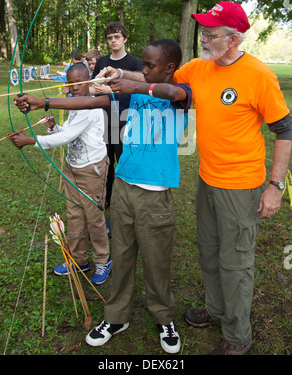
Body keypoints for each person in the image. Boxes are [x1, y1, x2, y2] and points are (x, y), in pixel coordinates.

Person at [96, 1, 292, 355]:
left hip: (242, 184)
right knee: (210, 252)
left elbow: (285, 128)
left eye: (211, 33)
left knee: (236, 261)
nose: (204, 37)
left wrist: (275, 186)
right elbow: (160, 80)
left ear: (232, 39)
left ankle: (237, 337)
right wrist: (120, 77)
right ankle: (216, 310)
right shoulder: (200, 68)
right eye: (203, 30)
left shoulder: (259, 75)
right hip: (207, 178)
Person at [14, 39, 192, 354]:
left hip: (156, 195)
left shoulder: (180, 93)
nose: (144, 70)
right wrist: (43, 102)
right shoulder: (128, 97)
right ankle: (116, 316)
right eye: (144, 65)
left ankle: (164, 318)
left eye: (150, 66)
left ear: (170, 68)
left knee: (156, 261)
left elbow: (175, 93)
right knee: (122, 257)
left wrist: (133, 83)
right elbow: (88, 103)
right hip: (122, 187)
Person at [11, 63, 112, 285]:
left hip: (90, 171)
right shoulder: (74, 106)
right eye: (70, 83)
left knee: (94, 218)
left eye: (79, 83)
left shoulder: (91, 108)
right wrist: (53, 127)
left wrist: (31, 141)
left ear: (89, 82)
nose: (74, 88)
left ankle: (103, 259)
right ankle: (79, 260)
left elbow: (65, 139)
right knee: (74, 215)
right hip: (72, 168)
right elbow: (66, 133)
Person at [91, 22, 143, 208]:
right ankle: (106, 197)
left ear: (125, 39)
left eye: (117, 37)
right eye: (109, 38)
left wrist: (110, 91)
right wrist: (96, 88)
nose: (113, 41)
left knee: (124, 161)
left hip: (126, 121)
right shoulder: (102, 62)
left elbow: (137, 93)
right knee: (105, 162)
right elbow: (93, 88)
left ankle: (126, 200)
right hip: (103, 120)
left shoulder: (135, 63)